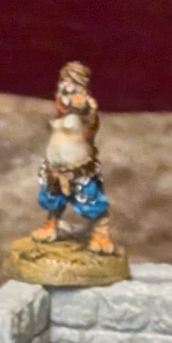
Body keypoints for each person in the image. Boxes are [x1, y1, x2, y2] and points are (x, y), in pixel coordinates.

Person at [31, 61, 117, 256]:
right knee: (52, 200)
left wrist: (81, 102)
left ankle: (100, 233)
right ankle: (51, 225)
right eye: (62, 86)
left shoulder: (87, 112)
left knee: (90, 203)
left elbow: (88, 112)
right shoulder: (59, 114)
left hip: (79, 170)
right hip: (54, 170)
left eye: (71, 86)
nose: (64, 93)